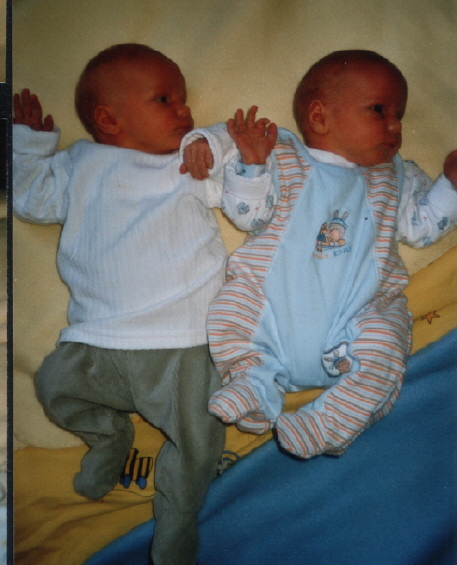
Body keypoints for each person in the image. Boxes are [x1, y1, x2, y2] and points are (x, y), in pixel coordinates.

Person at [12, 43, 278, 565]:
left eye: (183, 98)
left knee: (200, 436)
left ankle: (178, 517)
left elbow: (249, 214)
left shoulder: (190, 162)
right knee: (53, 386)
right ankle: (108, 436)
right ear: (109, 119)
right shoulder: (80, 164)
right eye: (165, 99)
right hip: (97, 339)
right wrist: (28, 147)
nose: (185, 109)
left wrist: (246, 163)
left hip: (184, 342)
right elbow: (32, 199)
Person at [181, 49, 457, 461]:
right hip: (271, 313)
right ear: (319, 117)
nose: (396, 125)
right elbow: (247, 215)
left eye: (399, 114)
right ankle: (253, 383)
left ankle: (328, 423)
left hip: (357, 319)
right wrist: (242, 160)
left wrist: (449, 186)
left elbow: (420, 227)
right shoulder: (282, 155)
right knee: (232, 308)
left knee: (387, 343)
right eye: (379, 110)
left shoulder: (396, 175)